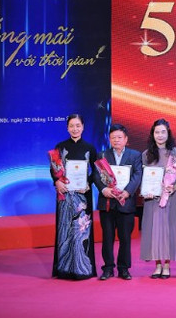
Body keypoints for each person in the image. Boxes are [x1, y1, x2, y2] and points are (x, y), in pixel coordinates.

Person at [51, 114, 99, 280]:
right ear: (67, 128)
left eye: (78, 125)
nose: (75, 129)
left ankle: (83, 269)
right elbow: (53, 169)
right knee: (64, 230)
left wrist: (89, 183)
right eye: (71, 126)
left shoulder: (90, 148)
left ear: (83, 127)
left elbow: (97, 171)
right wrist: (57, 182)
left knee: (81, 231)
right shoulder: (60, 147)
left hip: (83, 196)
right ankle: (64, 269)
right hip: (65, 195)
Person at [95, 123, 143, 280]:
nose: (116, 140)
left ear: (126, 139)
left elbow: (137, 175)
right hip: (107, 202)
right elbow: (96, 175)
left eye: (119, 137)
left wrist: (127, 192)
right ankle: (108, 268)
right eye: (113, 137)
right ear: (109, 139)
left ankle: (124, 268)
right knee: (107, 237)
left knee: (125, 238)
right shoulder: (102, 155)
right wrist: (103, 189)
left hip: (125, 202)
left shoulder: (135, 155)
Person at [140, 119, 176, 279]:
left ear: (168, 134)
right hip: (152, 198)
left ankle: (166, 265)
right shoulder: (146, 154)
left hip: (171, 197)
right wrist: (145, 191)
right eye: (157, 132)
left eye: (163, 132)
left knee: (168, 231)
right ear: (152, 134)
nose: (160, 135)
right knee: (154, 230)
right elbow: (143, 177)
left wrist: (175, 186)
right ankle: (157, 265)